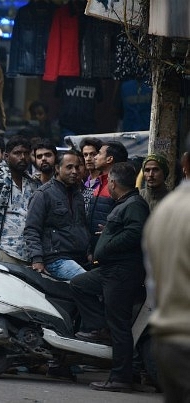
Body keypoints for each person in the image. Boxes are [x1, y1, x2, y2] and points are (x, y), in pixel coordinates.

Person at [70, 162, 150, 393]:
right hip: (109, 270)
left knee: (120, 326)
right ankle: (99, 326)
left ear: (113, 183)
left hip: (122, 273)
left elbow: (136, 233)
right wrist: (109, 233)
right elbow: (125, 229)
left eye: (109, 183)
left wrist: (110, 243)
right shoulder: (126, 204)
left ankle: (121, 378)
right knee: (78, 285)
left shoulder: (134, 204)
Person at [143, 137, 190, 402]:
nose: (150, 175)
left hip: (168, 339)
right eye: (146, 170)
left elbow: (154, 283)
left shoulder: (164, 210)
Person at [0, 135, 41, 263]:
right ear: (6, 156)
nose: (22, 158)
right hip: (3, 250)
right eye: (17, 153)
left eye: (26, 154)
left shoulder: (33, 184)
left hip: (29, 252)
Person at [24, 150, 89, 280]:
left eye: (77, 167)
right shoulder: (43, 194)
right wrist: (37, 259)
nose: (75, 171)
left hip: (79, 257)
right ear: (57, 169)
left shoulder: (78, 195)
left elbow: (82, 226)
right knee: (87, 282)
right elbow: (32, 229)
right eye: (69, 167)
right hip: (55, 259)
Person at [87, 140, 128, 254]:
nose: (95, 157)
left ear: (109, 159)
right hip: (94, 249)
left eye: (99, 153)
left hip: (109, 250)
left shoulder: (119, 187)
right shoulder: (98, 184)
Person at [79, 137, 103, 211]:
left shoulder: (106, 182)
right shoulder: (84, 183)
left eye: (92, 154)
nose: (88, 159)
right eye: (85, 155)